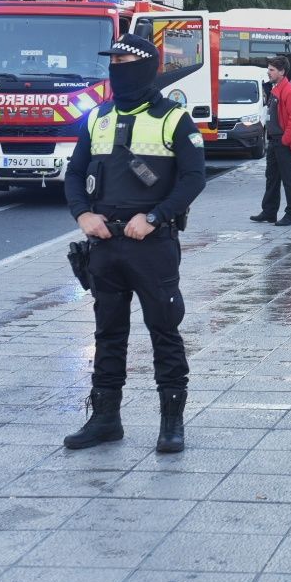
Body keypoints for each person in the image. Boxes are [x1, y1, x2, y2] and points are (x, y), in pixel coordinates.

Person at [62, 33, 205, 455]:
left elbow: (193, 178)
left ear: (144, 66)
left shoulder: (173, 118)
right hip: (104, 244)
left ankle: (171, 423)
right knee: (108, 333)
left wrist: (155, 217)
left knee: (164, 330)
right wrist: (83, 215)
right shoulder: (97, 117)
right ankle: (105, 419)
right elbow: (75, 174)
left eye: (123, 62)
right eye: (113, 62)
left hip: (152, 244)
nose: (115, 69)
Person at [251, 57, 291, 226]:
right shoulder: (276, 88)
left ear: (282, 72)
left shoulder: (289, 91)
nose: (268, 72)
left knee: (289, 180)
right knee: (272, 178)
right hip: (275, 141)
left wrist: (285, 140)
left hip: (283, 142)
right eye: (268, 69)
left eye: (272, 70)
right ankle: (269, 212)